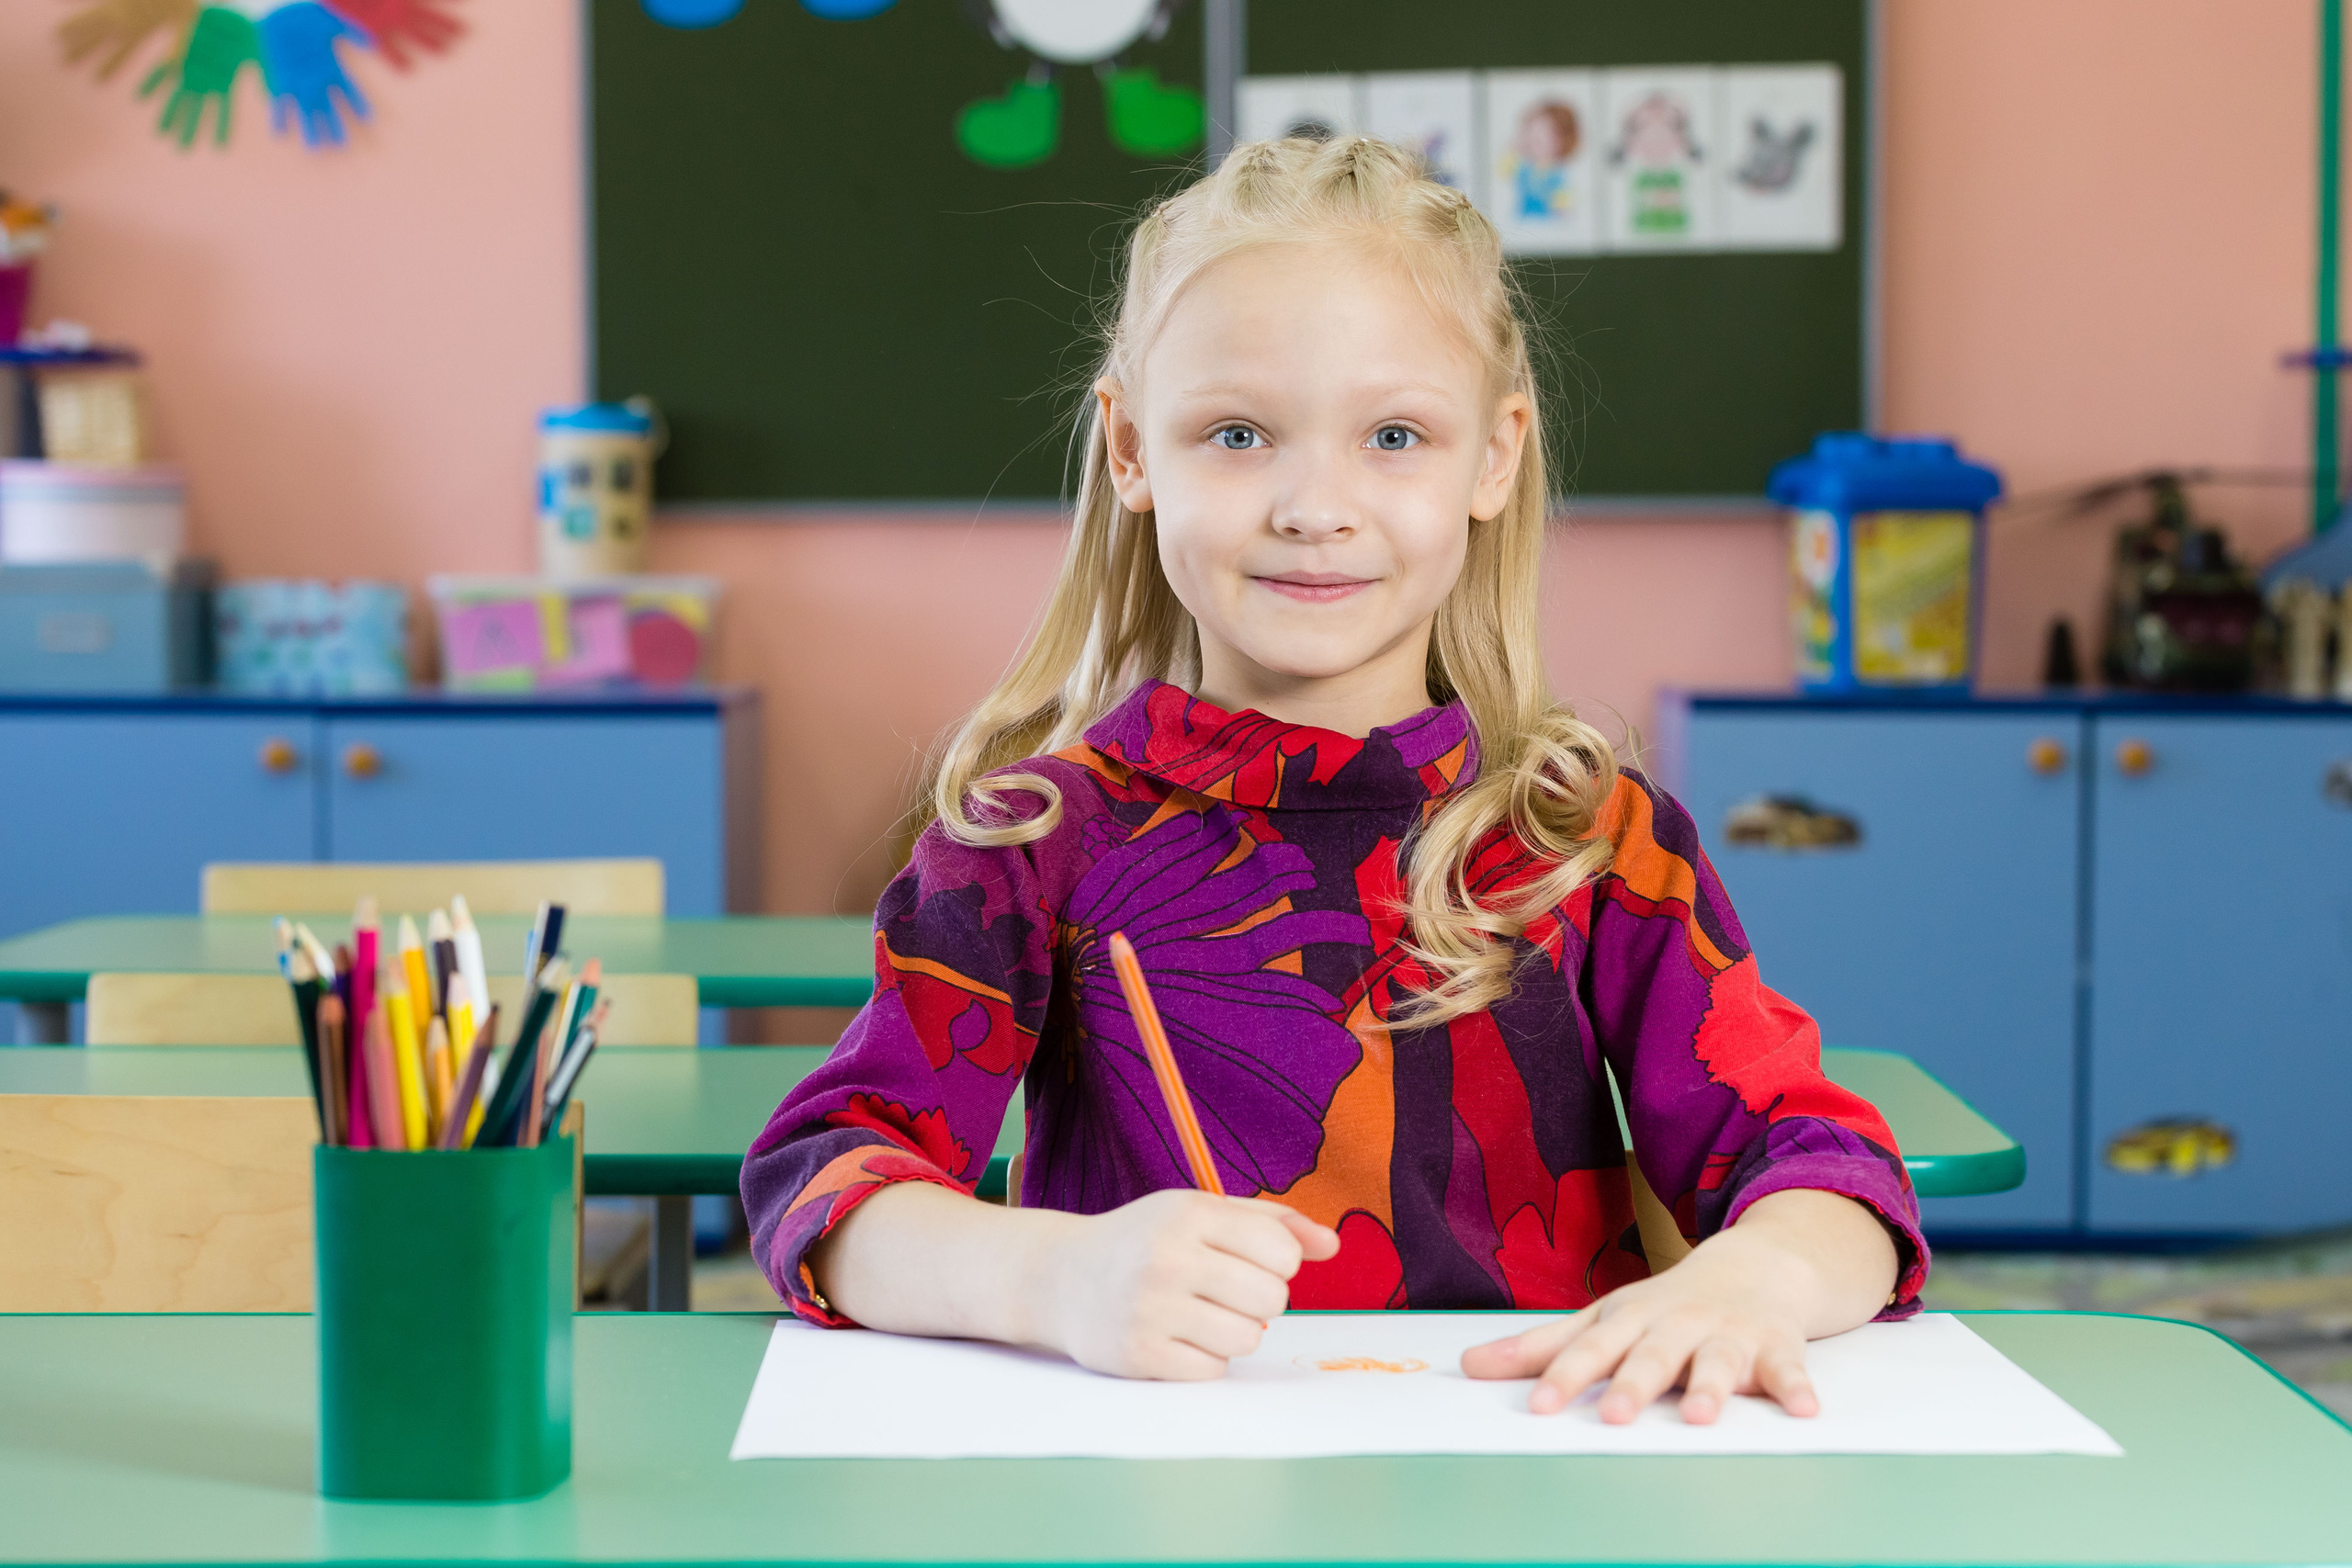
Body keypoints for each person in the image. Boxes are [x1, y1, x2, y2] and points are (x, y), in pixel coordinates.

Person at [741, 136, 1924, 1425]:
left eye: (1395, 435)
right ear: (1133, 451)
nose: (1315, 505)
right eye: (1238, 434)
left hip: (1533, 1491)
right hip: (1155, 1494)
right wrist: (1051, 1278)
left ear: (1494, 457)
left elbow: (1836, 1172)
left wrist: (1753, 1276)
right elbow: (825, 1179)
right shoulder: (1033, 840)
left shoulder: (1589, 840)